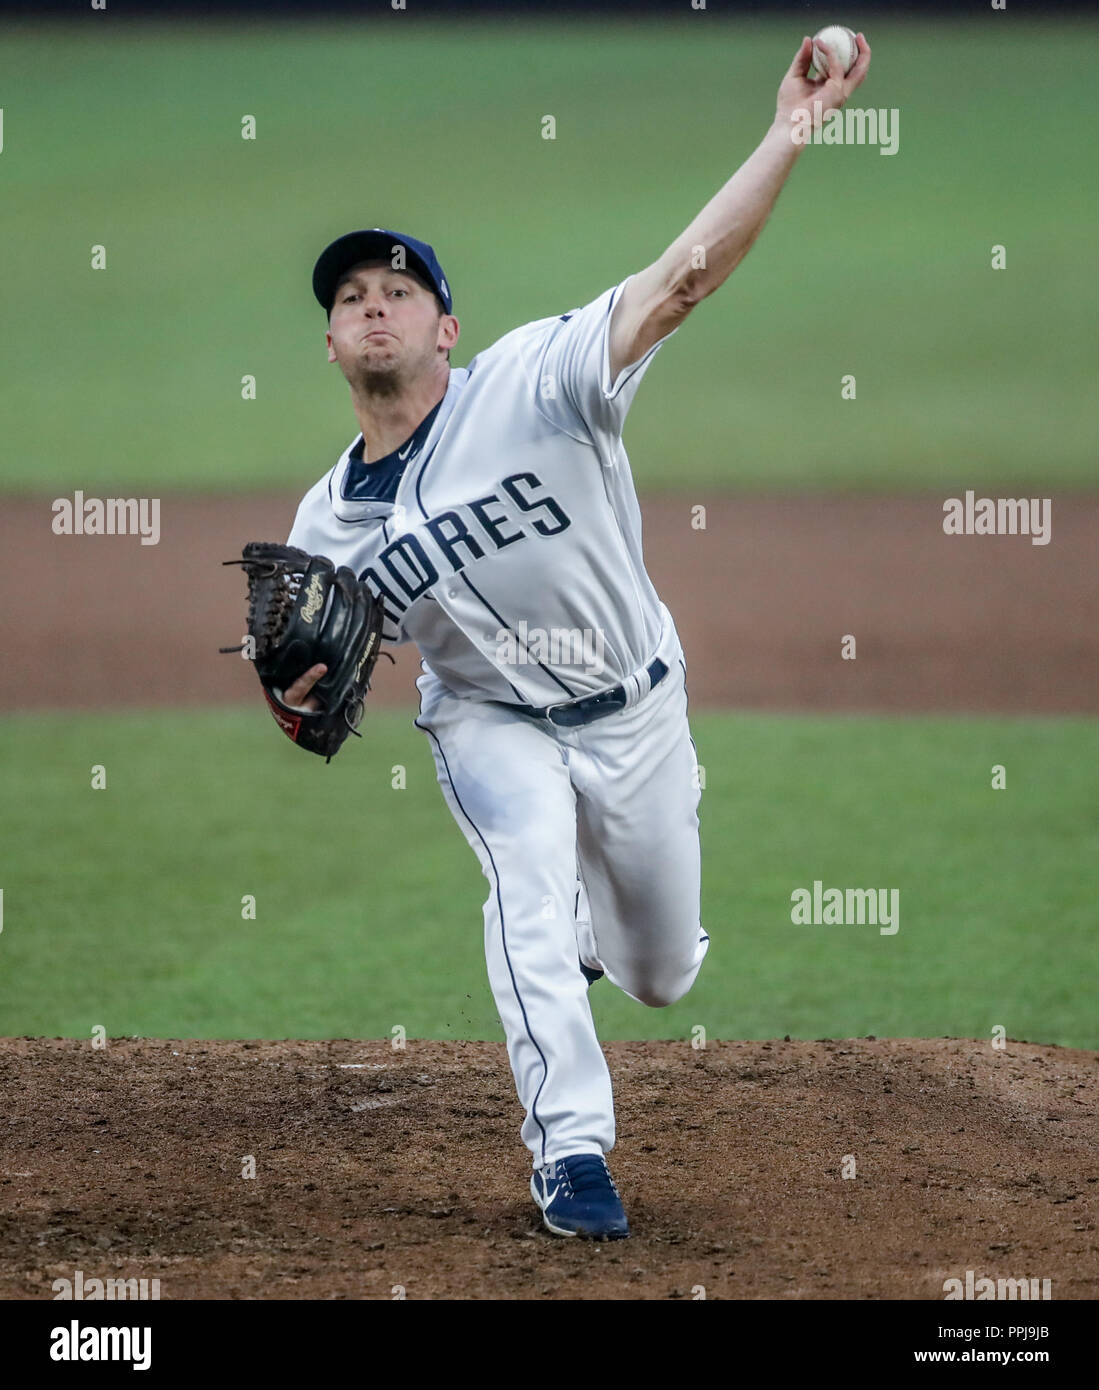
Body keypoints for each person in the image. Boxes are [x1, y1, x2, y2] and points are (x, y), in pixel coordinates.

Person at [279, 34, 870, 1239]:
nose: (372, 306)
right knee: (525, 890)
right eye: (350, 298)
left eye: (398, 291)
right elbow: (307, 663)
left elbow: (681, 277)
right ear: (330, 345)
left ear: (449, 328)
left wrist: (791, 127)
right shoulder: (322, 524)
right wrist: (293, 686)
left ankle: (619, 938)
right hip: (488, 721)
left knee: (661, 973)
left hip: (637, 704)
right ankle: (571, 1153)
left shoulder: (542, 378)